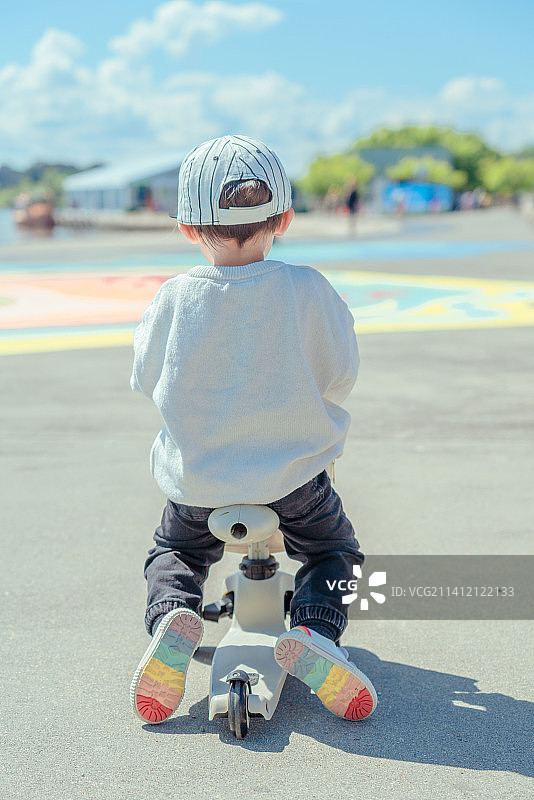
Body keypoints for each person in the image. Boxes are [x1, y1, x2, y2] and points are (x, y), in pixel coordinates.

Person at [129, 135, 377, 725]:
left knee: (175, 551)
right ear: (285, 219)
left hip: (201, 480)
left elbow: (145, 376)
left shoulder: (174, 298)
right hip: (294, 480)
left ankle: (172, 617)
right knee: (334, 551)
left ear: (188, 227)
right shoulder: (307, 289)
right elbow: (340, 372)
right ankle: (317, 630)